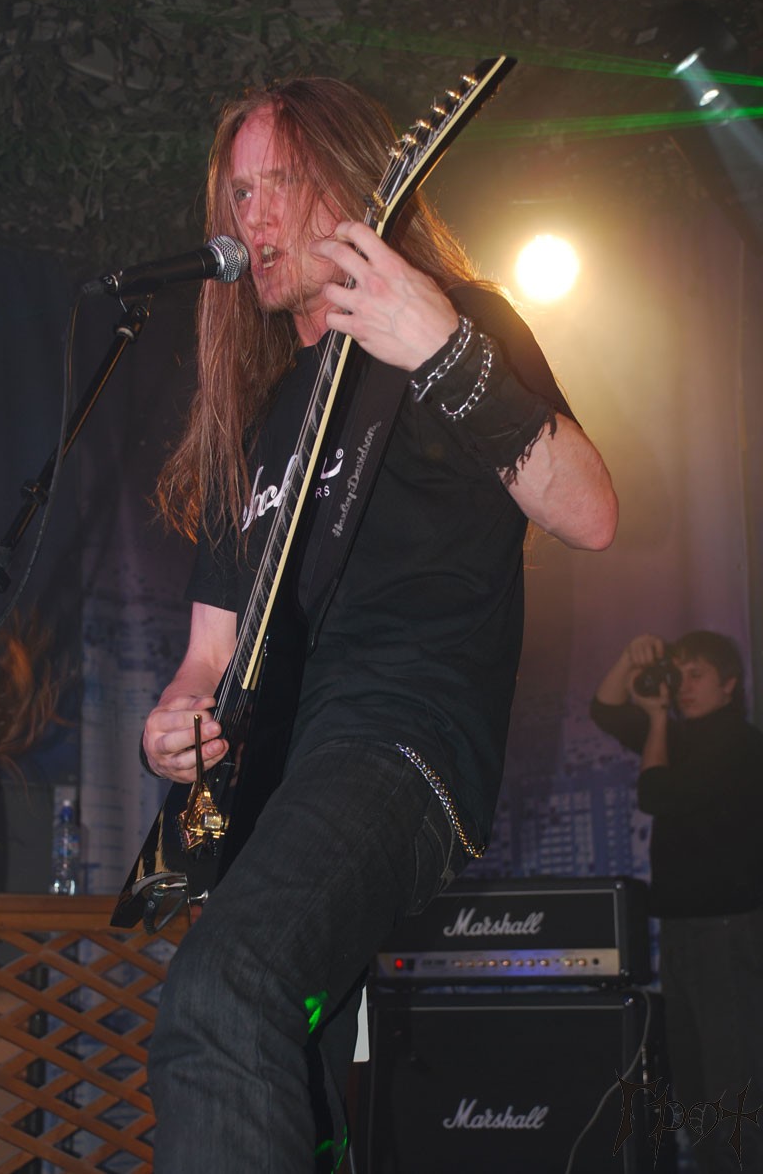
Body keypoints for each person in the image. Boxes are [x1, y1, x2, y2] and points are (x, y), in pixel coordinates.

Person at [142, 75, 618, 1173]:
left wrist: (442, 346)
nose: (253, 216)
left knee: (222, 990)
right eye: (239, 193)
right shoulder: (261, 419)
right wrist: (173, 722)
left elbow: (591, 513)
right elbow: (206, 657)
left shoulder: (458, 325)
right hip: (277, 782)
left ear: (356, 186)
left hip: (401, 745)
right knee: (295, 1087)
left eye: (281, 184)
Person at [591, 631, 763, 1173]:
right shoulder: (681, 738)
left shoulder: (739, 745)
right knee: (692, 1083)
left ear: (729, 685)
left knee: (732, 1085)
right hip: (684, 931)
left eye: (697, 675)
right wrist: (630, 656)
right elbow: (605, 709)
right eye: (678, 673)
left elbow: (656, 793)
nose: (683, 686)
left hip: (727, 930)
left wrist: (658, 720)